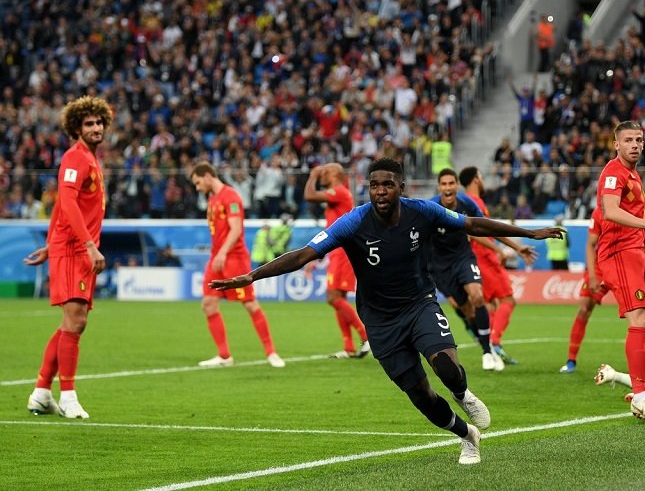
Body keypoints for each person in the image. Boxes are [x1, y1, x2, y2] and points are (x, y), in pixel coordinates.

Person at [210, 157, 565, 465]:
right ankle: (466, 435)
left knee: (446, 365)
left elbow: (471, 224)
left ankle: (463, 395)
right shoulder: (353, 222)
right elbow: (304, 254)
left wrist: (528, 234)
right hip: (379, 320)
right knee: (421, 396)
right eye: (374, 185)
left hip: (419, 304)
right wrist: (252, 275)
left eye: (388, 185)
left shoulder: (421, 211)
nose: (380, 191)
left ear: (401, 187)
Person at [25, 95, 113, 419]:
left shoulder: (89, 159)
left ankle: (40, 392)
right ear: (76, 128)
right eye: (89, 123)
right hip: (76, 248)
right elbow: (68, 201)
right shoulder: (76, 158)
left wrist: (50, 245)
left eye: (99, 122)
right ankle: (68, 395)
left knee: (71, 323)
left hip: (72, 246)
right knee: (76, 321)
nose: (96, 128)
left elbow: (64, 207)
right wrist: (87, 245)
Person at [595, 121, 645, 423]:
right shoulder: (614, 172)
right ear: (616, 144)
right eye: (628, 140)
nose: (635, 145)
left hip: (637, 252)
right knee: (640, 318)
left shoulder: (633, 174)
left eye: (639, 140)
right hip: (618, 252)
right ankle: (640, 396)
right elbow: (610, 210)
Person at [190, 162, 285, 369]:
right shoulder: (213, 198)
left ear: (207, 176)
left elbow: (235, 229)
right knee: (208, 304)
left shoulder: (230, 196)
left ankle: (271, 353)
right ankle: (224, 356)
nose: (197, 187)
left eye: (198, 183)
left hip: (233, 257)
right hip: (217, 258)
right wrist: (216, 252)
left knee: (250, 304)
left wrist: (223, 252)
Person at [559, 207, 645, 379]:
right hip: (602, 266)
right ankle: (571, 360)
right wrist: (592, 275)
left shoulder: (644, 211)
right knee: (584, 309)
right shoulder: (601, 211)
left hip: (630, 266)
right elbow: (591, 244)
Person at [459, 166, 536, 365]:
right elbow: (474, 233)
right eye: (481, 176)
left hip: (478, 258)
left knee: (490, 304)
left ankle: (489, 345)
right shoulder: (473, 202)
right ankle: (494, 343)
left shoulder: (471, 202)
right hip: (484, 258)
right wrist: (499, 250)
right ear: (476, 179)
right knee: (508, 299)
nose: (483, 180)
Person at [428, 168, 502, 371]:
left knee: (477, 296)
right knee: (467, 311)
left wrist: (508, 247)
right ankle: (486, 344)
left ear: (457, 185)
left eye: (451, 183)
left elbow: (483, 226)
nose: (448, 187)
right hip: (440, 268)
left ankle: (487, 352)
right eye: (444, 184)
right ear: (439, 186)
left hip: (463, 258)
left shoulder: (466, 204)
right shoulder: (431, 207)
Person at [303, 163, 369, 359]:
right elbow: (330, 229)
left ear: (334, 174)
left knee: (333, 297)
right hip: (337, 250)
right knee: (337, 297)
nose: (321, 174)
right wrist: (317, 256)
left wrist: (312, 175)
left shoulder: (339, 191)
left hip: (343, 252)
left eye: (325, 172)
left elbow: (309, 196)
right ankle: (348, 347)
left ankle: (366, 336)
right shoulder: (338, 195)